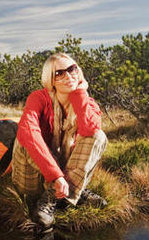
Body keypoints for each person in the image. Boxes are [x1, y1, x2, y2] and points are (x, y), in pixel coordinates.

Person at [11, 52, 108, 230]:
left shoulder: (86, 101)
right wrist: (56, 176)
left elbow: (90, 129)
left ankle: (52, 199)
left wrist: (80, 92)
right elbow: (29, 133)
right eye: (59, 73)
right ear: (51, 79)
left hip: (63, 174)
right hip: (33, 175)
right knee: (24, 138)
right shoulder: (38, 98)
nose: (68, 76)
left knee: (98, 136)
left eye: (72, 69)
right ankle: (69, 192)